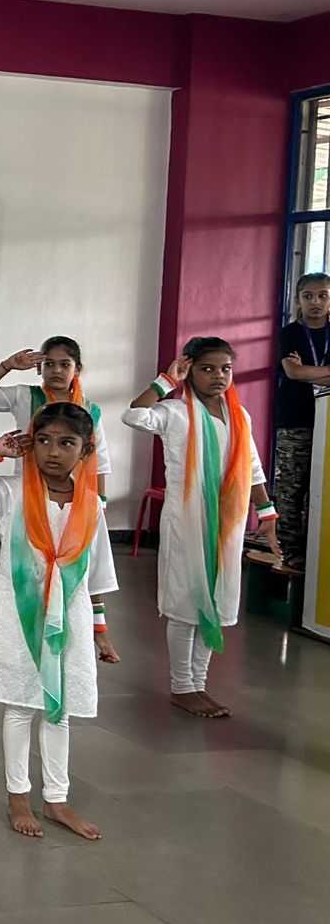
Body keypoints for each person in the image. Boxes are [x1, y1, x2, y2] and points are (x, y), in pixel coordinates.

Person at [0, 405, 115, 842]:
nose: (53, 452)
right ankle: (18, 796)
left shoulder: (92, 506)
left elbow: (96, 574)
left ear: (86, 450)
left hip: (70, 623)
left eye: (66, 443)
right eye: (43, 441)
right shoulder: (12, 493)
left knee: (60, 710)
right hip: (17, 618)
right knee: (20, 706)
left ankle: (57, 798)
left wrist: (100, 630)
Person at [124, 338, 277, 719]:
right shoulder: (175, 412)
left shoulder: (239, 416)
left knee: (216, 600)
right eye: (207, 368)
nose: (218, 376)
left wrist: (267, 513)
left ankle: (199, 684)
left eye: (225, 368)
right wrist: (166, 380)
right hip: (186, 522)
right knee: (186, 603)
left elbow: (253, 467)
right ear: (189, 370)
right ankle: (182, 687)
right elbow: (134, 415)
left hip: (227, 524)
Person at [0, 337, 121, 662]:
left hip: (75, 501)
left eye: (65, 364)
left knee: (79, 570)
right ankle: (27, 639)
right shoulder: (26, 396)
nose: (56, 370)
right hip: (31, 499)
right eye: (49, 364)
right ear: (39, 368)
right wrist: (7, 366)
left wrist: (98, 504)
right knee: (33, 569)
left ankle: (90, 632)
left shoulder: (90, 410)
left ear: (77, 369)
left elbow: (100, 462)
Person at [275, 273, 330, 569]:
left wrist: (308, 371)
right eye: (308, 296)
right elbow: (293, 373)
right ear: (298, 300)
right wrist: (307, 372)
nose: (315, 302)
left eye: (323, 295)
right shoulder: (290, 333)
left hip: (327, 422)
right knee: (291, 488)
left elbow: (302, 371)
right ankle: (291, 551)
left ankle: (317, 550)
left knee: (322, 487)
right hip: (295, 420)